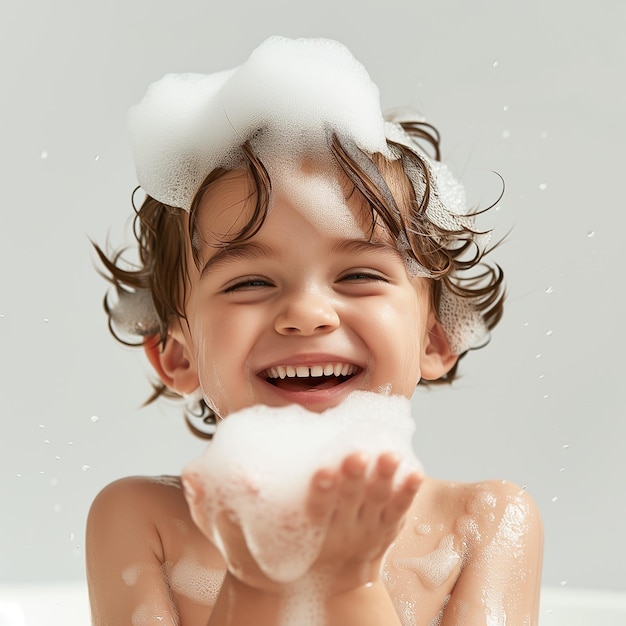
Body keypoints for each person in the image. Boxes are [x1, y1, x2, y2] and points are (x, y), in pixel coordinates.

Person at [86, 36, 543, 626]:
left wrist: (344, 584)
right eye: (249, 283)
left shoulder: (486, 524)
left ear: (436, 337)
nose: (306, 313)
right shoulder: (143, 522)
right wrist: (260, 581)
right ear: (178, 355)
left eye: (357, 274)